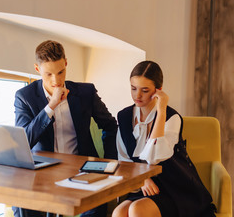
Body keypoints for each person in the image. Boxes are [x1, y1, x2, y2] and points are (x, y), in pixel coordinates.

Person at [13, 40, 118, 217]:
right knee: (22, 206)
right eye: (49, 74)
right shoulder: (24, 97)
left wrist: (107, 164)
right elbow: (24, 140)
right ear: (37, 70)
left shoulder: (86, 92)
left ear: (66, 63)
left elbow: (110, 126)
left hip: (83, 172)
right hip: (43, 173)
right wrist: (51, 106)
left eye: (61, 72)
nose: (56, 80)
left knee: (95, 207)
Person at [112, 61, 216, 217]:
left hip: (173, 187)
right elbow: (124, 161)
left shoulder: (172, 118)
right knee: (118, 213)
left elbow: (154, 157)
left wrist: (161, 111)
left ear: (158, 90)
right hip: (143, 186)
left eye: (145, 90)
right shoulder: (124, 116)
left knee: (137, 210)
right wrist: (142, 180)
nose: (137, 95)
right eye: (133, 88)